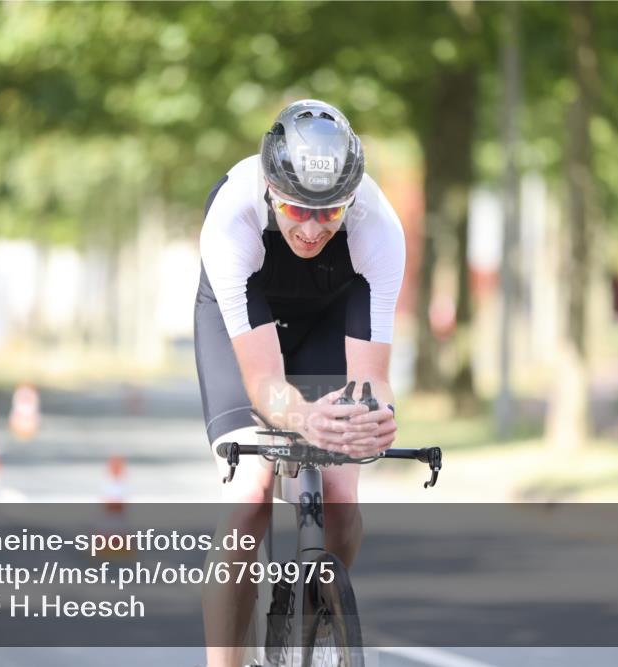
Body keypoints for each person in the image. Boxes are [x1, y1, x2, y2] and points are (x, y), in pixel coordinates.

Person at [194, 99, 406, 666]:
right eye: (296, 209)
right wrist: (301, 416)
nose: (312, 228)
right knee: (248, 497)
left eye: (329, 213)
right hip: (246, 318)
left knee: (340, 495)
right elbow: (264, 382)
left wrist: (376, 421)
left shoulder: (378, 226)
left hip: (332, 312)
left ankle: (320, 617)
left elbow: (374, 383)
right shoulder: (232, 218)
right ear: (269, 189)